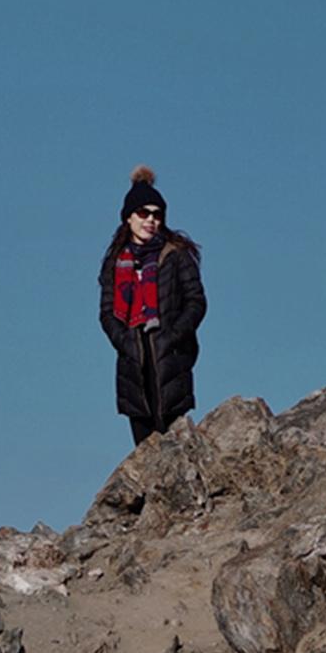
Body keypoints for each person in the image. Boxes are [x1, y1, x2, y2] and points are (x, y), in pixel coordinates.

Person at [99, 168, 204, 446]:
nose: (151, 220)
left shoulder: (176, 255)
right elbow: (107, 313)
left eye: (157, 214)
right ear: (129, 217)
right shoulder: (115, 262)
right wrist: (124, 342)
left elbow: (196, 302)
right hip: (134, 370)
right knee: (145, 455)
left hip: (171, 363)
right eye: (144, 213)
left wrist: (172, 337)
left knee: (177, 452)